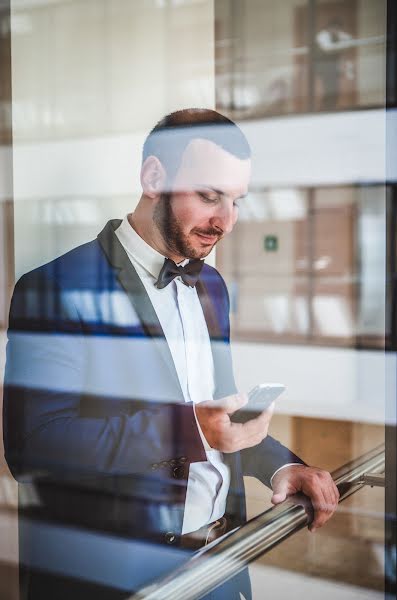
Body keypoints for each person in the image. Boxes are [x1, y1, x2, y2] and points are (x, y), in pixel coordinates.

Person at [3, 108, 339, 600]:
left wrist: (283, 467)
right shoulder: (54, 288)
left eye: (236, 201)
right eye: (208, 196)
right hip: (119, 582)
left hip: (223, 567)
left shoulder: (214, 288)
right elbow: (33, 448)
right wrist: (188, 429)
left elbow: (218, 416)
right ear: (154, 177)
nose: (225, 221)